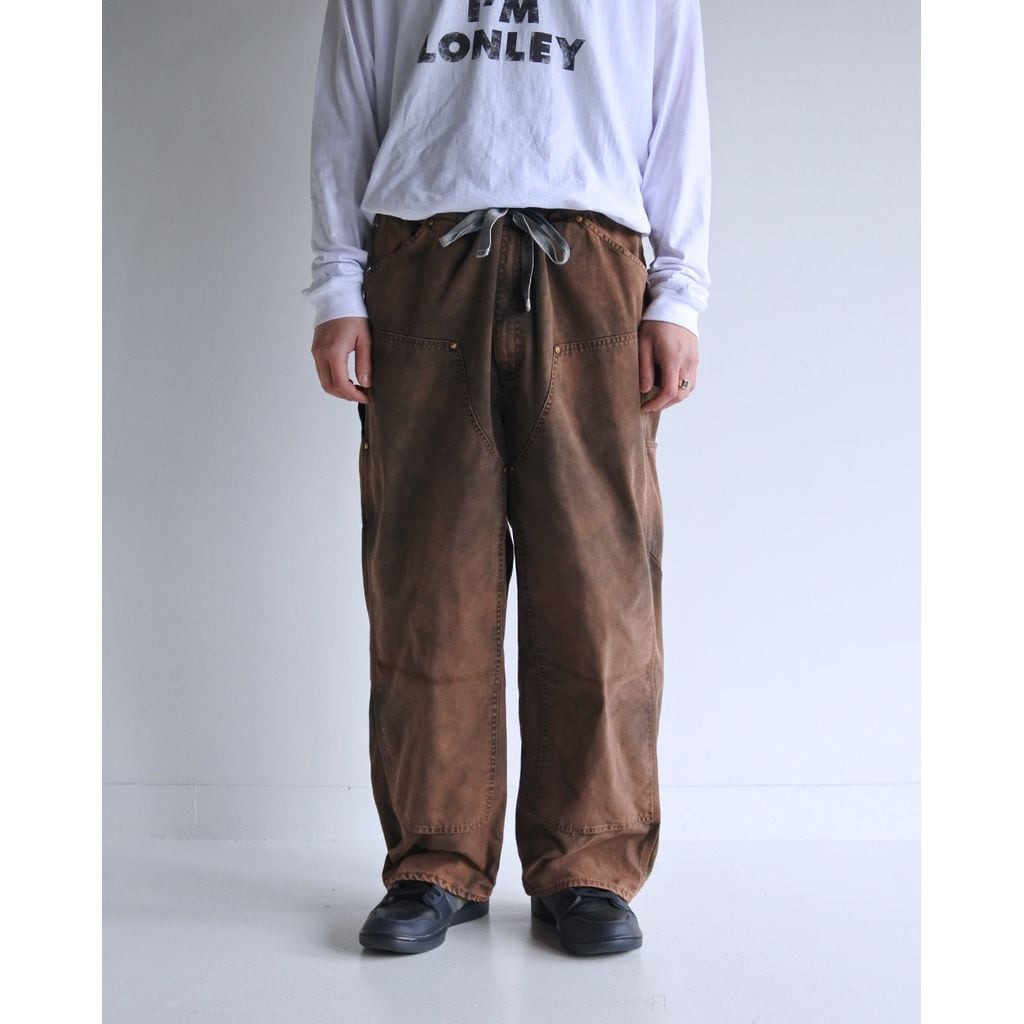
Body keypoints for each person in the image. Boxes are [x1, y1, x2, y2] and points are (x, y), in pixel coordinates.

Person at [303, 0, 711, 957]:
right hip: (423, 260)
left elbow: (676, 108)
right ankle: (434, 860)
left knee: (599, 583)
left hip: (595, 265)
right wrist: (336, 285)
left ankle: (589, 863)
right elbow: (346, 110)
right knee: (428, 581)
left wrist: (678, 293)